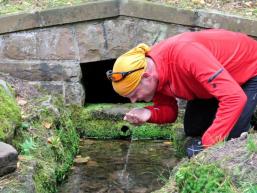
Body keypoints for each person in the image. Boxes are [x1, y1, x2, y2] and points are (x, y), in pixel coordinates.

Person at [106, 29, 257, 157]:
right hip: (214, 83)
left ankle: (247, 124)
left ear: (146, 77)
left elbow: (234, 98)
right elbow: (170, 112)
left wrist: (207, 146)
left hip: (249, 71)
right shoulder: (153, 72)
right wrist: (149, 113)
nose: (134, 100)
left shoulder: (185, 54)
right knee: (193, 129)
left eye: (134, 93)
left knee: (226, 139)